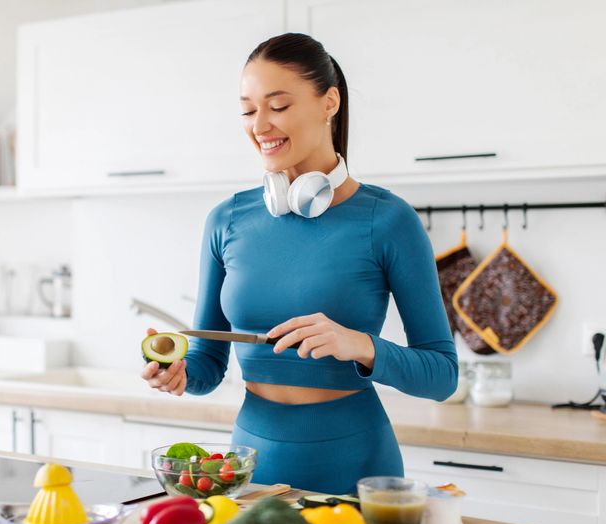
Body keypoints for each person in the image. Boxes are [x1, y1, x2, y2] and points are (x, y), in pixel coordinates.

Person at [140, 33, 458, 494]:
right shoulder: (226, 220)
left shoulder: (389, 221)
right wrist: (180, 374)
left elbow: (442, 377)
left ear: (329, 102)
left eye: (279, 106)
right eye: (248, 111)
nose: (260, 125)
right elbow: (208, 365)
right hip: (248, 467)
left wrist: (360, 346)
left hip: (355, 466)